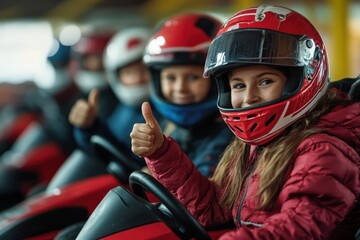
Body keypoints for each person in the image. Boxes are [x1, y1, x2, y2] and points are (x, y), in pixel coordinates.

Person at [131, 5, 360, 239]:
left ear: (302, 78)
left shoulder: (323, 151)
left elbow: (299, 229)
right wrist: (161, 153)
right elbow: (213, 209)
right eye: (239, 85)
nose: (249, 97)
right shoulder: (253, 147)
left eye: (265, 82)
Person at [131, 12, 234, 177]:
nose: (180, 88)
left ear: (217, 79)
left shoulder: (229, 137)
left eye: (193, 77)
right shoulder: (169, 126)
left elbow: (202, 193)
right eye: (171, 78)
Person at [68, 27, 151, 163]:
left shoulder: (169, 113)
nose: (138, 78)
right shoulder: (122, 112)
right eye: (129, 73)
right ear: (116, 77)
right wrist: (88, 127)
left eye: (144, 69)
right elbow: (104, 148)